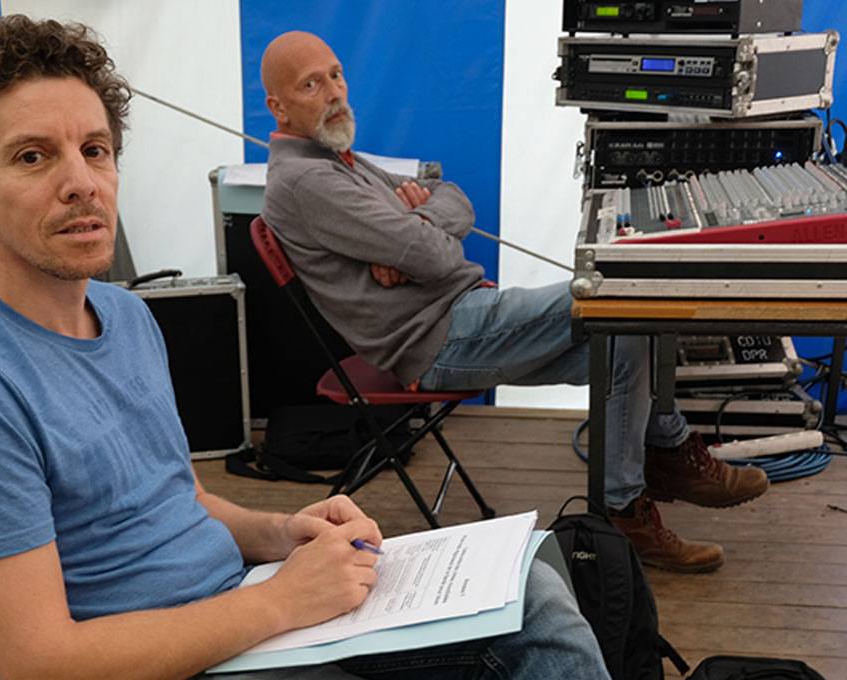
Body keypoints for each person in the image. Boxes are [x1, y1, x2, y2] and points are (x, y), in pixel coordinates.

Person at [0, 15, 610, 680]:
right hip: (185, 650)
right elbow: (39, 663)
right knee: (531, 621)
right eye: (33, 157)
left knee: (532, 586)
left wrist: (283, 533)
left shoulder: (123, 316)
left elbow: (182, 501)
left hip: (239, 612)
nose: (82, 183)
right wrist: (282, 601)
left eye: (95, 150)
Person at [259, 30, 771, 574]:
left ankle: (646, 484)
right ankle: (644, 486)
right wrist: (418, 234)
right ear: (278, 107)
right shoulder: (307, 179)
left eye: (336, 74)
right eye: (311, 84)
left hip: (460, 316)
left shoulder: (339, 158)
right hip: (437, 339)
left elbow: (452, 195)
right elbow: (435, 256)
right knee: (619, 295)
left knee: (627, 339)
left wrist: (418, 219)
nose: (334, 91)